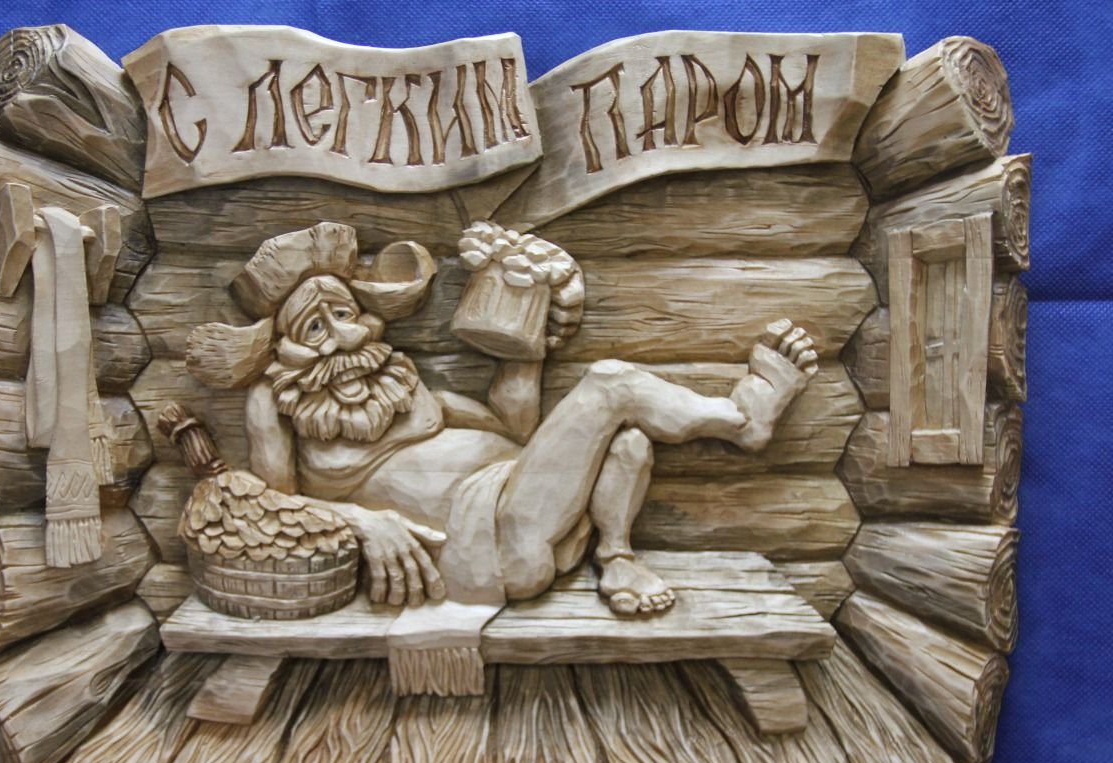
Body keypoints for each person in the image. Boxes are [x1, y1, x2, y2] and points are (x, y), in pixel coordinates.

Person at [188, 224, 819, 615]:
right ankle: (743, 420)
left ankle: (617, 555)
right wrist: (365, 521)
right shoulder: (276, 403)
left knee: (626, 441)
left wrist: (527, 349)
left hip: (534, 507)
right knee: (609, 384)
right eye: (314, 328)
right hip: (486, 542)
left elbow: (512, 430)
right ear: (282, 348)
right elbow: (272, 506)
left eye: (346, 316)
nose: (343, 339)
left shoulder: (399, 380)